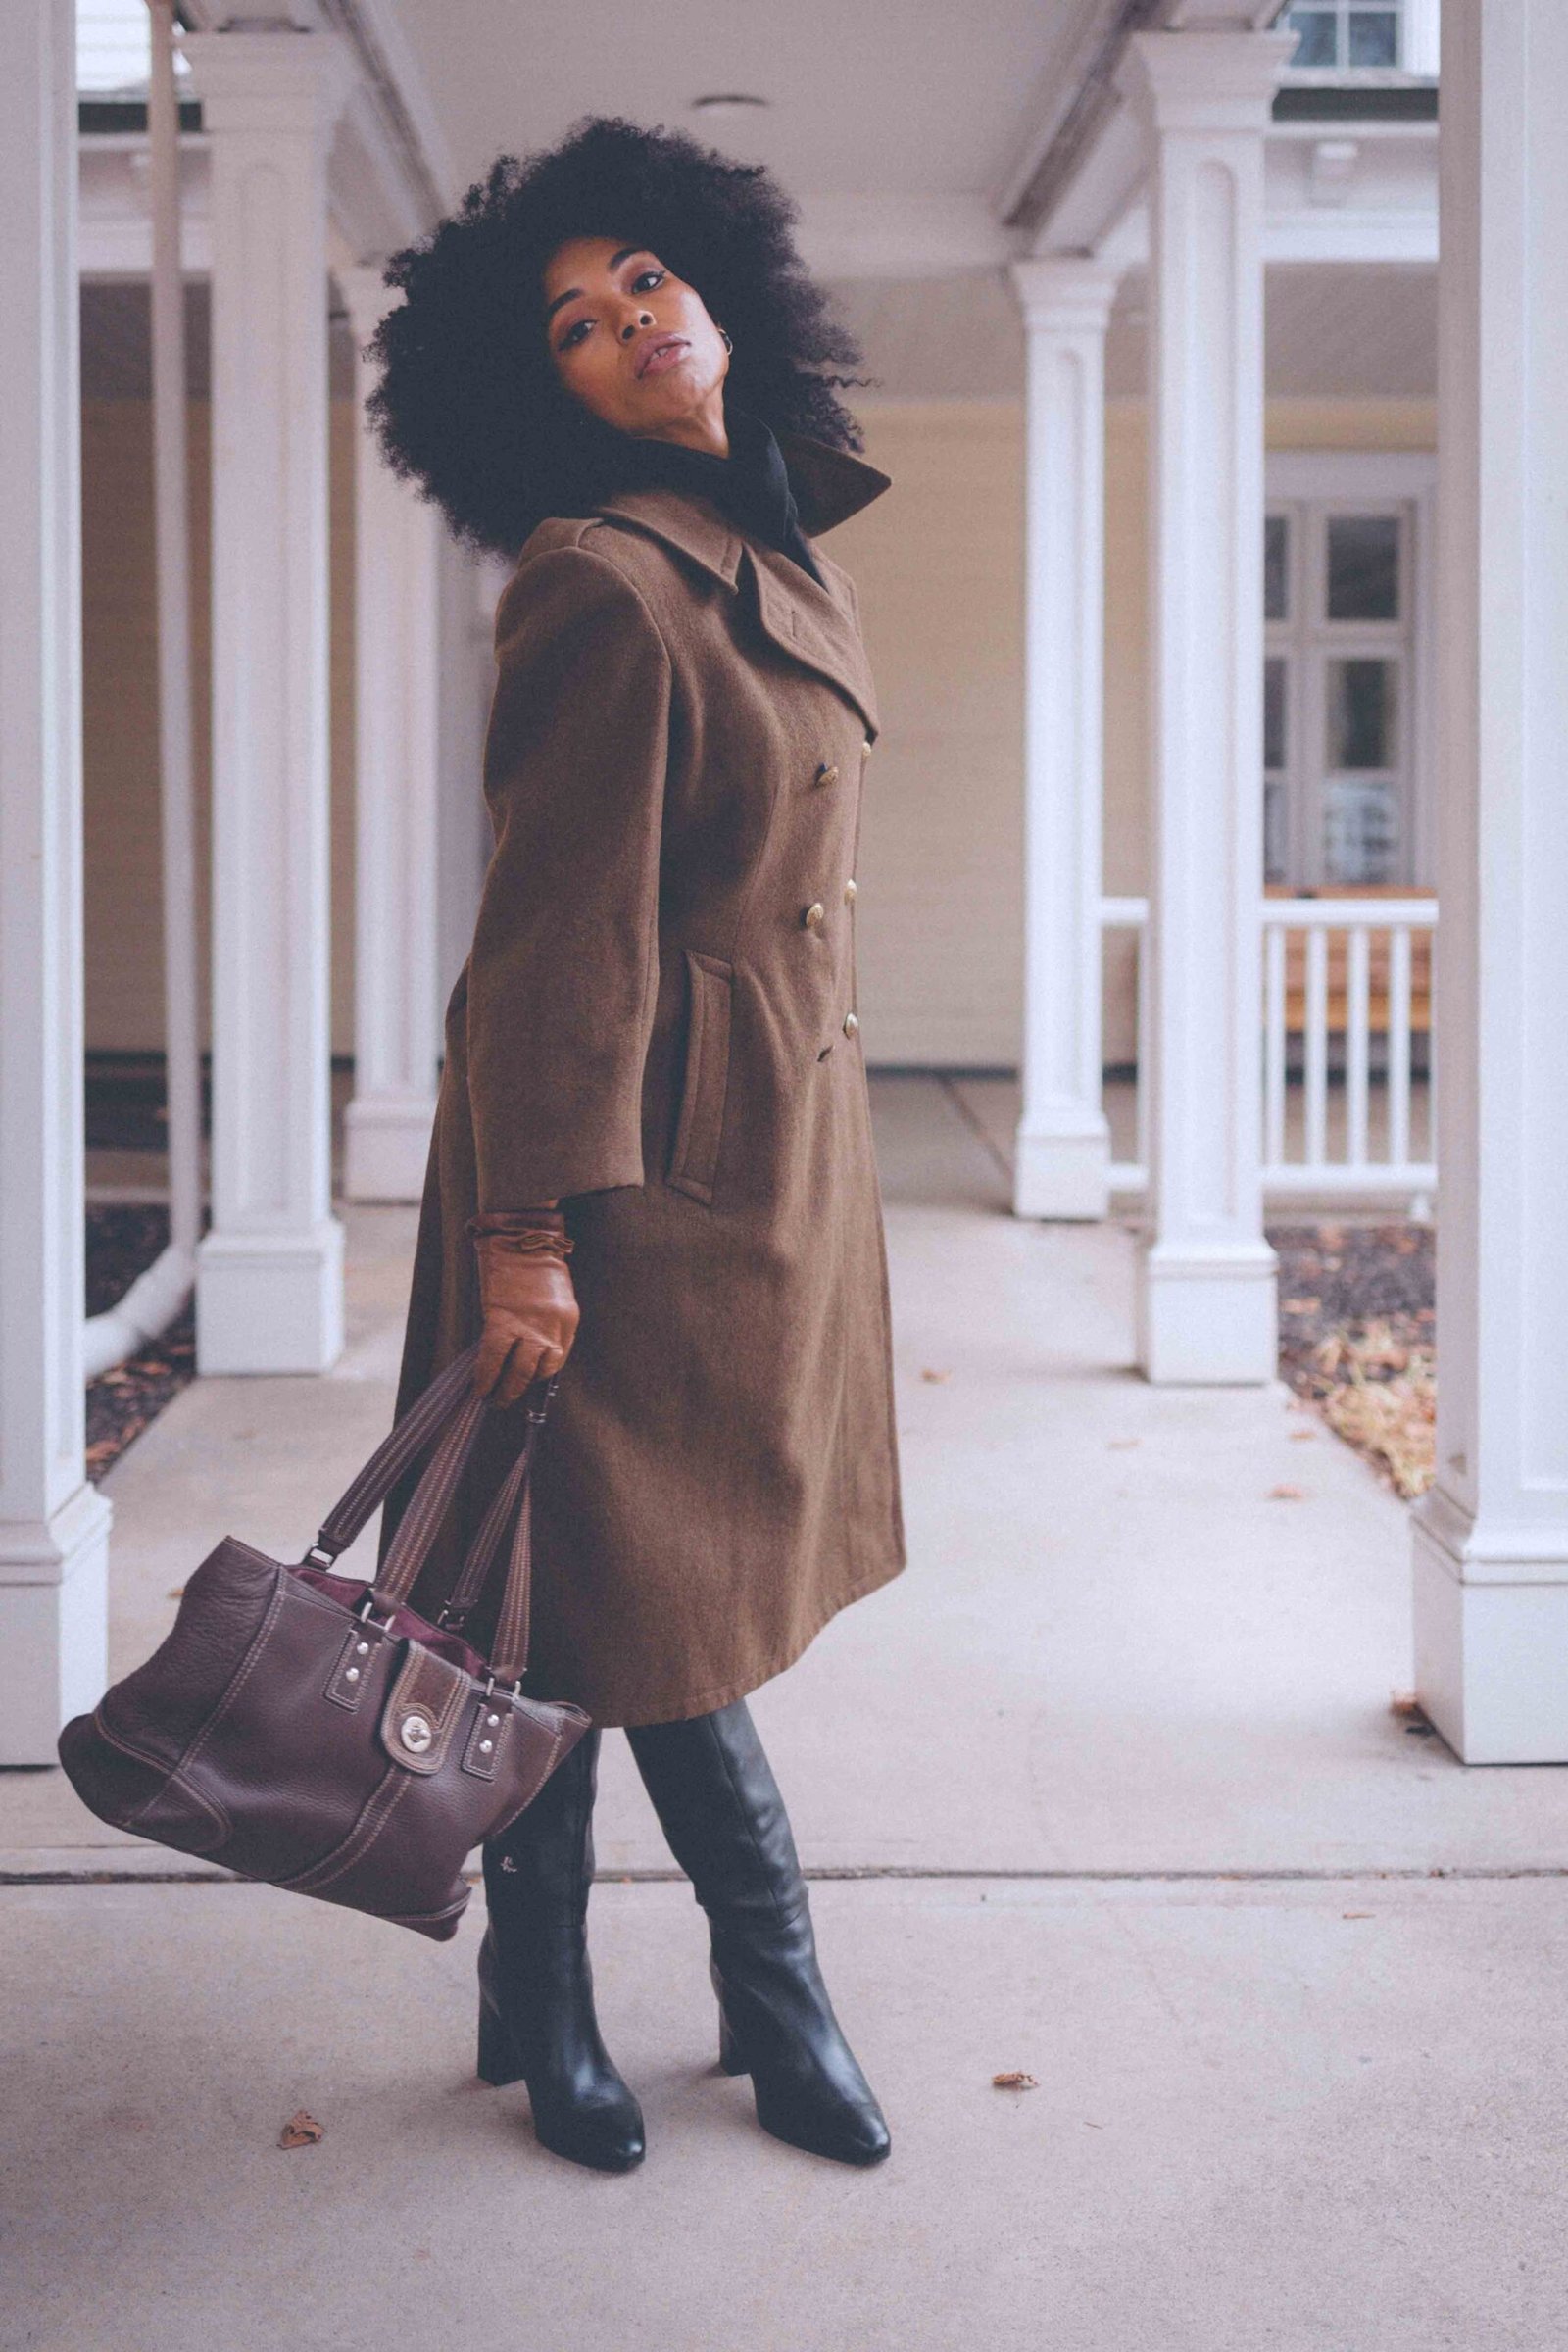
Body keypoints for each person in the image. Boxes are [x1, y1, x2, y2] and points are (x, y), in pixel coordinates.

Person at [367, 115, 906, 2175]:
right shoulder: (600, 583)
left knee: (600, 1604)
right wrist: (520, 1235)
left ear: (716, 295)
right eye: (575, 331)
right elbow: (552, 940)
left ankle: (543, 2001)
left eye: (642, 292)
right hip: (609, 1176)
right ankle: (752, 2007)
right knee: (620, 1609)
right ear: (543, 400)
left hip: (757, 1159)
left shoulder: (776, 546)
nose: (627, 336)